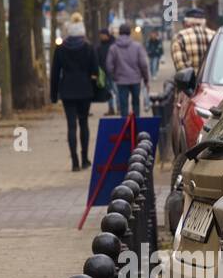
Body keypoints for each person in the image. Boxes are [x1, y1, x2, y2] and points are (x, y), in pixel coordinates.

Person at [51, 16, 99, 172]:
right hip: (85, 90)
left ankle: (74, 162)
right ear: (82, 33)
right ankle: (85, 159)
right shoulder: (88, 47)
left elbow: (55, 72)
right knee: (83, 123)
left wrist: (54, 94)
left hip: (67, 90)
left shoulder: (61, 48)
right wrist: (93, 87)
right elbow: (95, 70)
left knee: (71, 126)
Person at [105, 23, 150, 118]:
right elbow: (143, 64)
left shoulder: (113, 48)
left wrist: (114, 76)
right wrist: (145, 78)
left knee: (123, 105)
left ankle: (125, 127)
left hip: (121, 80)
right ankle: (136, 124)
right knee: (136, 103)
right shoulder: (137, 46)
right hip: (136, 79)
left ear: (119, 33)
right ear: (130, 33)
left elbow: (109, 65)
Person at [171, 8, 214, 75]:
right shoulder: (214, 35)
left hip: (190, 84)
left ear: (186, 22)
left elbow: (180, 66)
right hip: (210, 82)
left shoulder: (180, 37)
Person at [94, 27, 115, 115]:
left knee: (116, 90)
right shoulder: (99, 47)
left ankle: (119, 108)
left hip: (114, 72)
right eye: (100, 35)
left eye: (103, 35)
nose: (101, 37)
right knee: (109, 90)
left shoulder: (113, 45)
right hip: (104, 72)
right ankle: (111, 108)